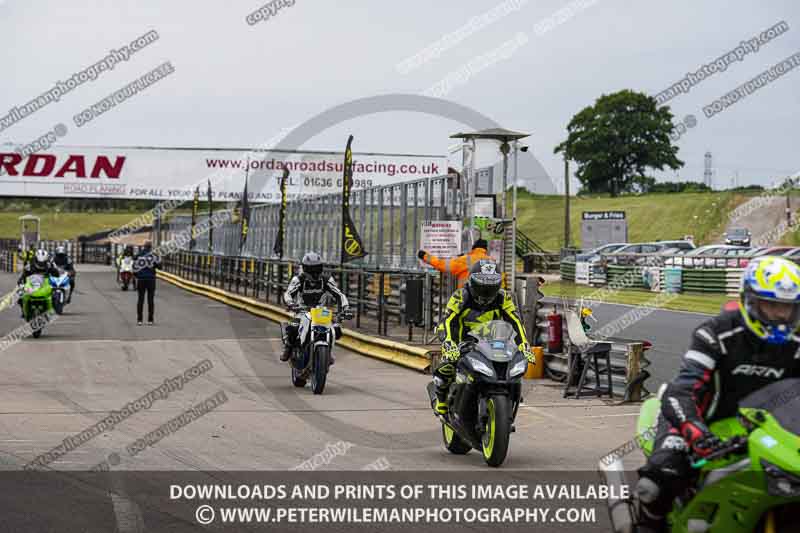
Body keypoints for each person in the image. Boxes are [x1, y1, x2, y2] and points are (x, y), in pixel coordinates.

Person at [634, 256, 800, 532]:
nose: (780, 316)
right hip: (700, 420)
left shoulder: (796, 343)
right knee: (660, 478)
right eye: (772, 306)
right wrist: (696, 433)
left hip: (762, 430)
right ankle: (647, 526)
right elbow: (682, 389)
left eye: (788, 308)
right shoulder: (716, 333)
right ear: (749, 300)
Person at [431, 259, 535, 415]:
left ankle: (509, 395)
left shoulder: (503, 298)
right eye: (482, 287)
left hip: (491, 343)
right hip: (462, 342)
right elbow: (448, 320)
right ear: (472, 283)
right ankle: (441, 398)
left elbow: (515, 322)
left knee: (512, 365)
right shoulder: (460, 296)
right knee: (447, 366)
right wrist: (449, 343)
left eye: (491, 287)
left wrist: (524, 344)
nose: (486, 292)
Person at [280, 252, 350, 364]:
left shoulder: (327, 280)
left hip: (321, 311)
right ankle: (288, 348)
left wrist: (346, 308)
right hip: (302, 310)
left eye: (317, 268)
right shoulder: (298, 280)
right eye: (311, 269)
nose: (314, 272)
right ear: (305, 268)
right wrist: (291, 303)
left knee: (337, 330)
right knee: (293, 329)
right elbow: (288, 293)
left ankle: (328, 351)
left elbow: (339, 295)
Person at [418, 239, 493, 288]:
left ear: (473, 248)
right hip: (489, 300)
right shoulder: (492, 261)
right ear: (486, 249)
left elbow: (442, 265)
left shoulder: (466, 259)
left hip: (468, 298)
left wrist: (425, 256)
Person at [17, 249, 59, 318]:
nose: (41, 264)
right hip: (32, 284)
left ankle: (53, 310)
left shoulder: (49, 265)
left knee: (55, 294)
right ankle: (23, 311)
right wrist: (21, 282)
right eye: (39, 262)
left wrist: (55, 270)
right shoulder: (29, 266)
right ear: (36, 259)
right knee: (20, 295)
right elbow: (23, 276)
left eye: (43, 262)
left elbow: (56, 274)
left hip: (45, 285)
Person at [133, 241, 160, 325]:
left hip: (141, 279)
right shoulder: (154, 256)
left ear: (144, 246)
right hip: (151, 280)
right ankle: (150, 320)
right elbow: (160, 267)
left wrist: (137, 275)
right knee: (150, 300)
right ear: (151, 247)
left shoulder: (139, 255)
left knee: (140, 300)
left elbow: (134, 266)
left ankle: (139, 320)